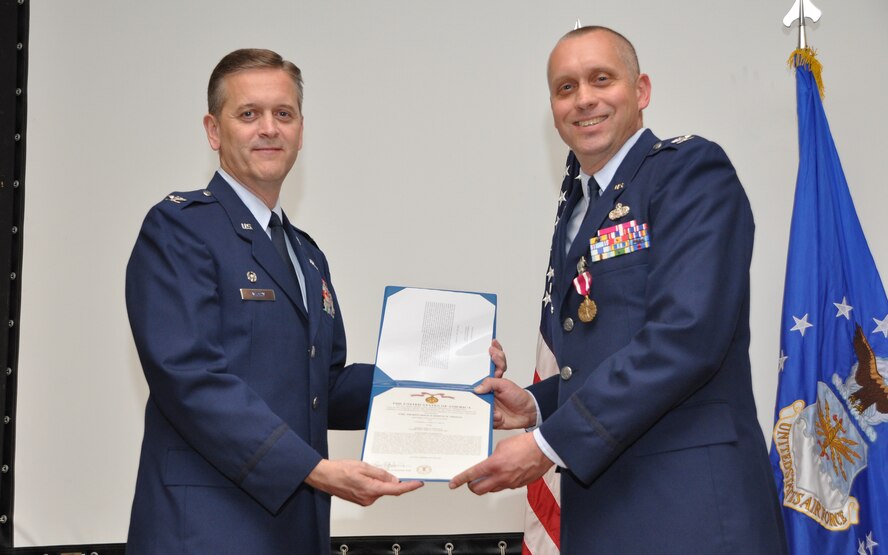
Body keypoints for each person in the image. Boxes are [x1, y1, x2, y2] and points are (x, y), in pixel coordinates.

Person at [450, 27, 788, 553]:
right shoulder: (579, 206)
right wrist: (536, 407)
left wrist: (548, 443)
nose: (583, 98)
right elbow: (602, 347)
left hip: (690, 512)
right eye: (565, 88)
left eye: (600, 79)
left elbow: (686, 337)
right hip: (605, 512)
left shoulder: (690, 172)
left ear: (641, 91)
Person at [124, 48, 423, 555]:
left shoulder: (305, 255)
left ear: (301, 130)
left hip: (295, 530)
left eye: (283, 114)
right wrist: (314, 469)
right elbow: (189, 377)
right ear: (214, 131)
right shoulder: (179, 228)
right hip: (206, 531)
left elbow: (325, 385)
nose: (269, 128)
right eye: (249, 114)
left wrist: (444, 381)